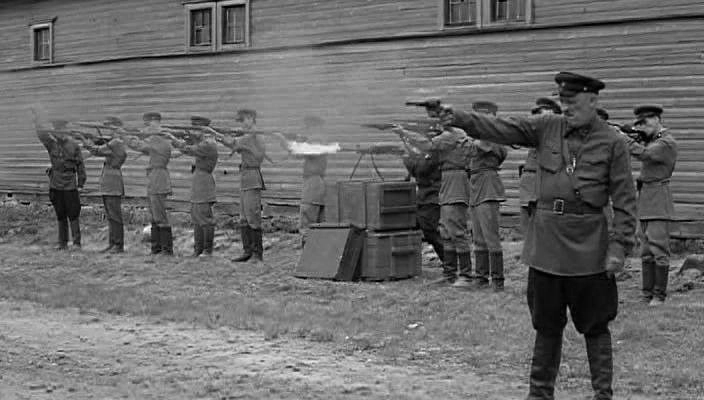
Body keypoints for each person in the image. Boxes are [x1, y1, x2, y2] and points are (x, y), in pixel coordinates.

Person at [422, 71, 637, 399]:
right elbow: (503, 128)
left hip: (590, 247)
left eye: (574, 103)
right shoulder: (547, 127)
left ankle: (602, 394)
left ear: (593, 101)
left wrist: (619, 247)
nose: (567, 109)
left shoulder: (613, 142)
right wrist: (461, 118)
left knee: (595, 325)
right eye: (563, 102)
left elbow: (624, 199)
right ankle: (539, 395)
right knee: (547, 327)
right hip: (546, 246)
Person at [395, 123, 471, 285]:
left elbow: (423, 166)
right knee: (444, 231)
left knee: (454, 232)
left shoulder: (445, 143)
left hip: (440, 193)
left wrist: (406, 142)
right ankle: (450, 273)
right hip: (441, 193)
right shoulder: (440, 145)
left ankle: (464, 274)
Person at [625, 104, 677, 306]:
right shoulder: (654, 141)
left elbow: (645, 155)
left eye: (644, 123)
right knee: (645, 250)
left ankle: (659, 295)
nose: (641, 128)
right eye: (638, 124)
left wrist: (623, 139)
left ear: (656, 120)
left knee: (658, 249)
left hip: (658, 199)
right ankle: (647, 294)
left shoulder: (666, 142)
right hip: (646, 197)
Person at [463, 101, 507, 291]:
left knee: (491, 237)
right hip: (475, 185)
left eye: (482, 116)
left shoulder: (492, 137)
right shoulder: (477, 137)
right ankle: (481, 277)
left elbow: (486, 147)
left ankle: (497, 280)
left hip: (488, 187)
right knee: (478, 237)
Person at [219, 108, 266, 263]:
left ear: (252, 118)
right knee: (244, 217)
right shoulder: (248, 135)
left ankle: (257, 254)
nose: (243, 123)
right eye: (241, 121)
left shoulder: (253, 134)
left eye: (245, 119)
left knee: (253, 215)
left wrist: (217, 135)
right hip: (245, 177)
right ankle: (248, 251)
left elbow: (232, 143)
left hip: (252, 177)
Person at [125, 112, 174, 256]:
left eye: (148, 125)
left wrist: (125, 136)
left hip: (159, 179)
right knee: (154, 216)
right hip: (154, 179)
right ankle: (156, 248)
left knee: (160, 215)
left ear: (156, 123)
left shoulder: (159, 140)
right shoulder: (156, 140)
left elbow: (138, 145)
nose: (146, 129)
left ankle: (166, 249)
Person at [171, 116, 219, 257]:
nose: (193, 132)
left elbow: (188, 149)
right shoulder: (202, 142)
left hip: (204, 181)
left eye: (195, 129)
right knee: (197, 217)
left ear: (202, 129)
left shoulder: (208, 144)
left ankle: (207, 250)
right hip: (199, 180)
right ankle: (198, 249)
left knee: (205, 217)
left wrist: (173, 138)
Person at [36, 119, 87, 250]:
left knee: (73, 213)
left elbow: (80, 165)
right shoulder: (51, 144)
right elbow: (42, 135)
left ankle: (76, 243)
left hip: (70, 184)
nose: (60, 134)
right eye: (57, 130)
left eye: (61, 130)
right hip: (56, 184)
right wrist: (37, 120)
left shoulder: (73, 145)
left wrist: (81, 183)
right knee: (60, 213)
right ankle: (62, 243)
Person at [85, 117, 128, 253]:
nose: (108, 130)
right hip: (109, 180)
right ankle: (113, 243)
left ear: (116, 128)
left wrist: (85, 141)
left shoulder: (116, 142)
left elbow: (96, 150)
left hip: (113, 181)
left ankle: (118, 244)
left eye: (110, 127)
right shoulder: (114, 142)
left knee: (115, 215)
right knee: (110, 215)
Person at [520, 98, 562, 234]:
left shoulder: (558, 133)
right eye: (538, 115)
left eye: (544, 115)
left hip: (547, 181)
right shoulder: (534, 131)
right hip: (530, 181)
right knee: (527, 220)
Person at [402, 145, 445, 264]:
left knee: (431, 232)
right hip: (425, 197)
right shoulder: (427, 152)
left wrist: (407, 158)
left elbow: (420, 170)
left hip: (431, 197)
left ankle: (450, 266)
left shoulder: (433, 151)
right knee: (422, 229)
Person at [297, 116, 328, 247]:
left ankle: (307, 259)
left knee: (307, 222)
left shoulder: (315, 140)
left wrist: (282, 140)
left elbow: (298, 152)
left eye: (308, 126)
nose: (306, 129)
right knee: (320, 224)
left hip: (312, 183)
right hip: (319, 183)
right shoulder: (319, 140)